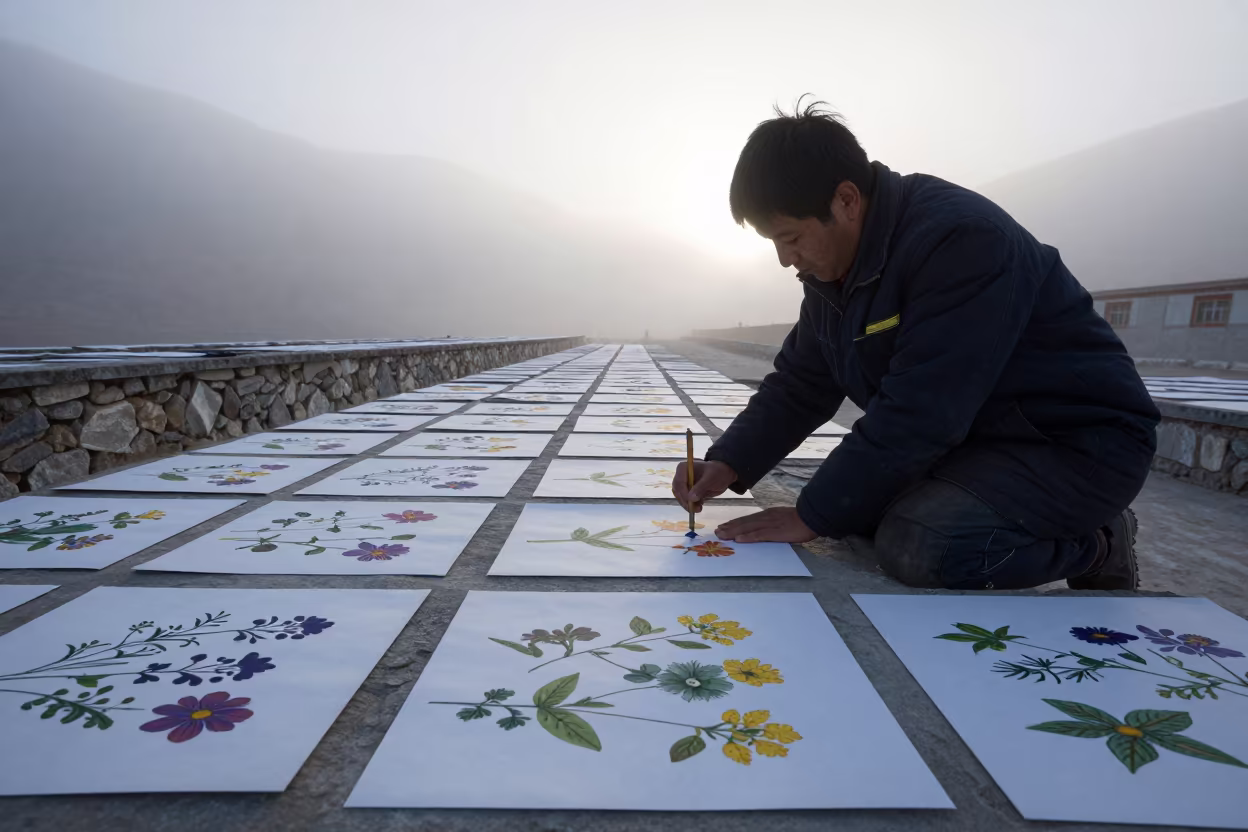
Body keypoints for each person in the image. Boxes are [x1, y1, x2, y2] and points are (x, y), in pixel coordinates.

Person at [673, 101, 1160, 591]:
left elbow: (924, 410)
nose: (784, 260)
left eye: (791, 238)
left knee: (923, 544)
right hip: (979, 442)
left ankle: (1099, 543)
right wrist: (729, 460)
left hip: (1074, 444)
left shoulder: (961, 240)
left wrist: (812, 515)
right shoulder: (833, 269)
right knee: (858, 513)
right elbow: (802, 381)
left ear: (845, 200)